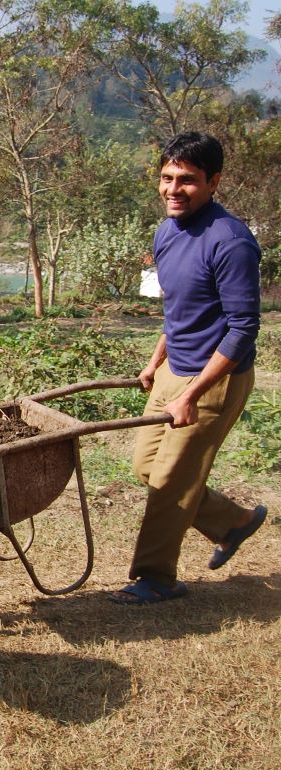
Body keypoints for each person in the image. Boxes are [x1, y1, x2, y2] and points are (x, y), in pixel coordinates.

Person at [111, 131, 267, 605]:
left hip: (215, 380)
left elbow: (241, 330)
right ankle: (233, 522)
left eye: (188, 181)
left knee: (170, 481)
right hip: (173, 371)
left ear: (214, 182)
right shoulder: (166, 232)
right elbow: (179, 308)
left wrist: (192, 395)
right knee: (146, 467)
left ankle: (155, 577)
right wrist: (156, 361)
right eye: (166, 177)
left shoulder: (231, 242)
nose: (173, 189)